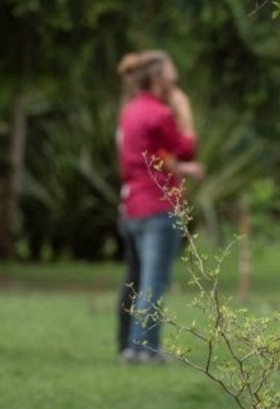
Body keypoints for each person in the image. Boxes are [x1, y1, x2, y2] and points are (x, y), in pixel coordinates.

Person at [115, 50, 203, 364]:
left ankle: (134, 346)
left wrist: (178, 167)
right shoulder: (158, 114)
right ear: (157, 78)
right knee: (154, 282)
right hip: (158, 205)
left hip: (132, 207)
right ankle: (143, 350)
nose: (175, 79)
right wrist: (184, 110)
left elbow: (155, 157)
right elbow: (186, 147)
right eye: (171, 72)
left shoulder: (130, 111)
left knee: (140, 280)